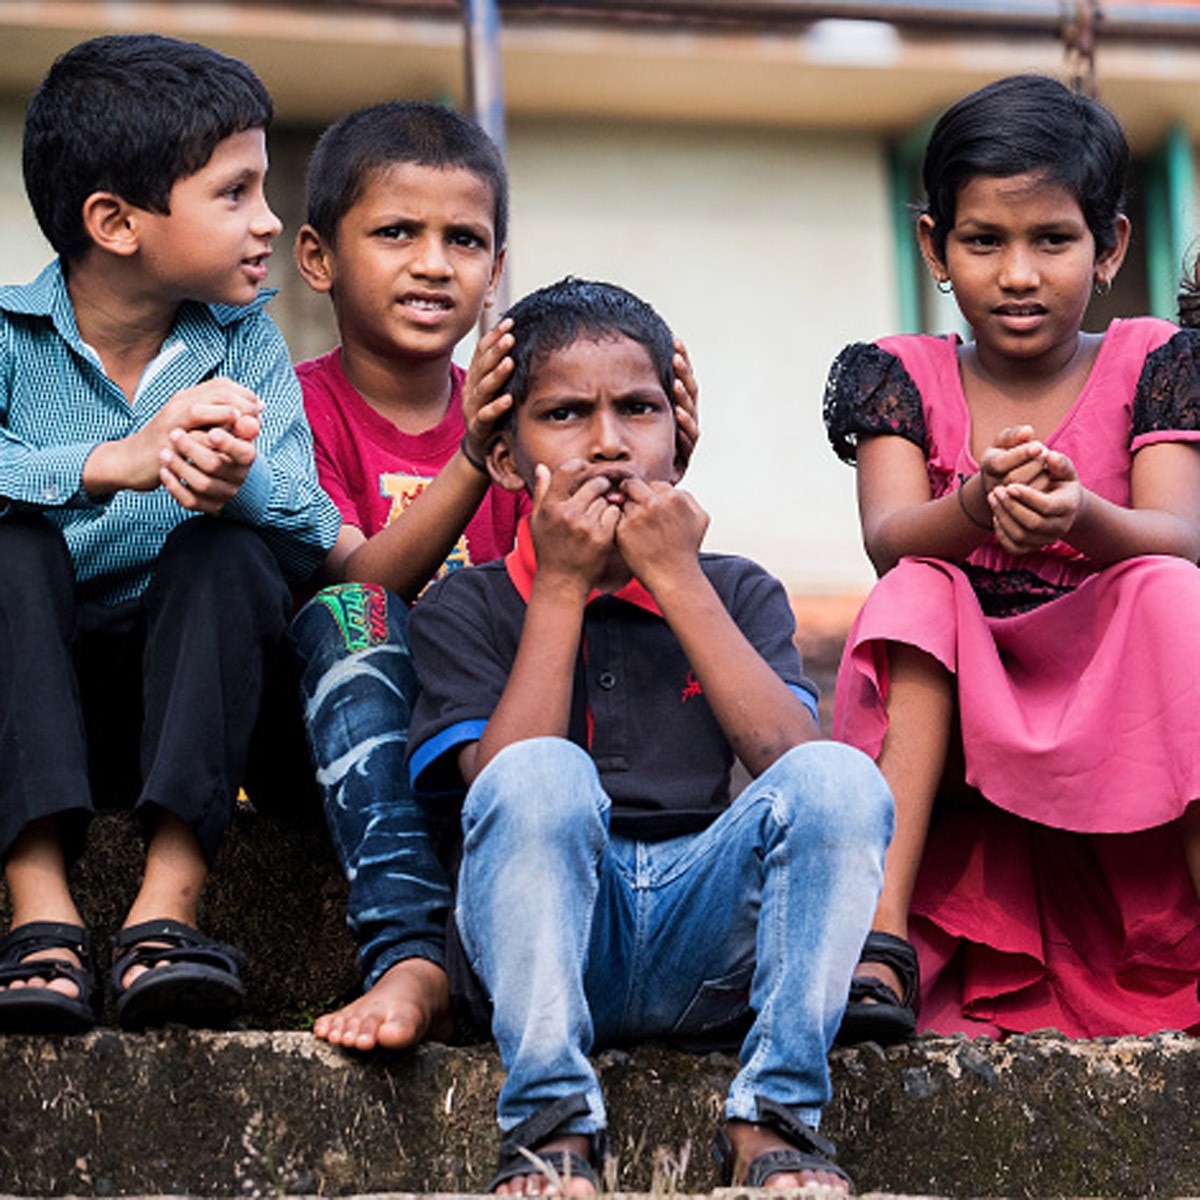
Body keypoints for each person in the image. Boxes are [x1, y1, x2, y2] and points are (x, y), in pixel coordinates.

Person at [407, 277, 892, 1196]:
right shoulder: (467, 603)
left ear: (681, 439)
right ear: (508, 463)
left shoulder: (736, 589)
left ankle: (773, 1117)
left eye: (638, 409)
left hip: (705, 942)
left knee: (842, 779)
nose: (608, 442)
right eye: (563, 414)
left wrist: (675, 579)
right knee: (539, 773)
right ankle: (550, 1124)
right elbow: (500, 789)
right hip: (549, 944)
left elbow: (793, 766)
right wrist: (559, 585)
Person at [285, 103, 698, 1054]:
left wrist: (652, 469)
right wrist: (474, 457)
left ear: (494, 270)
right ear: (318, 258)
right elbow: (362, 582)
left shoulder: (541, 415)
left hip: (498, 731)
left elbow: (592, 577)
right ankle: (412, 952)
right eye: (398, 232)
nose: (434, 262)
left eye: (464, 239)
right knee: (353, 614)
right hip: (356, 733)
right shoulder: (300, 403)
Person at [823, 73, 1200, 1044]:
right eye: (984, 241)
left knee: (1167, 590)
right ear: (934, 247)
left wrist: (1084, 514)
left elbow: (1179, 538)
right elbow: (888, 537)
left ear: (1111, 245)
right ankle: (881, 944)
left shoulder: (1155, 360)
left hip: (1104, 684)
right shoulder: (898, 372)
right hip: (951, 692)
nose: (1019, 273)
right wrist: (977, 508)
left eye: (1053, 240)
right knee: (920, 587)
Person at [0, 34, 340, 1034]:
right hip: (33, 710)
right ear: (114, 221)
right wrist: (110, 462)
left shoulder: (245, 343)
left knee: (230, 552)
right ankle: (41, 911)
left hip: (187, 714)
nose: (269, 221)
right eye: (234, 193)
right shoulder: (10, 339)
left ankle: (166, 909)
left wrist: (239, 485)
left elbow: (317, 525)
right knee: (10, 549)